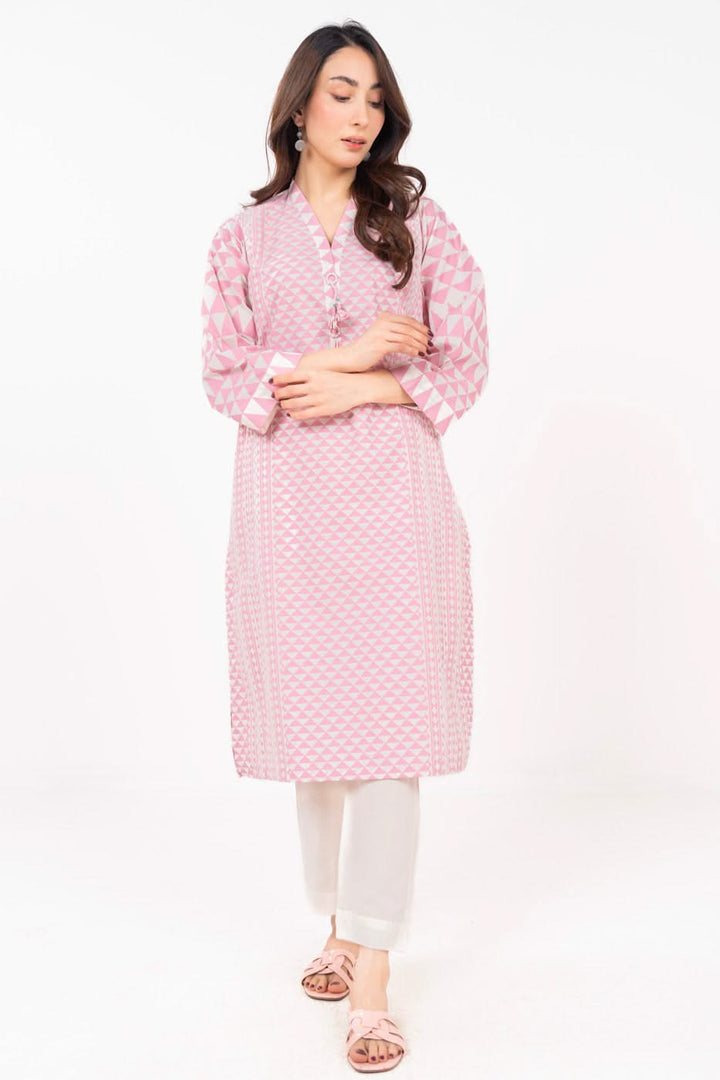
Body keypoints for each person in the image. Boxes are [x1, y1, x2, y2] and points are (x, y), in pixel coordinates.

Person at [200, 19, 489, 1073]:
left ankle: (372, 973)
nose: (362, 115)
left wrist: (366, 380)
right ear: (298, 107)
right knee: (321, 738)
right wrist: (355, 349)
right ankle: (337, 925)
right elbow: (226, 373)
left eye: (376, 99)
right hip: (287, 508)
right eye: (342, 93)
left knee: (391, 737)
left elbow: (464, 359)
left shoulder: (418, 225)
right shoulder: (242, 239)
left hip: (395, 503)